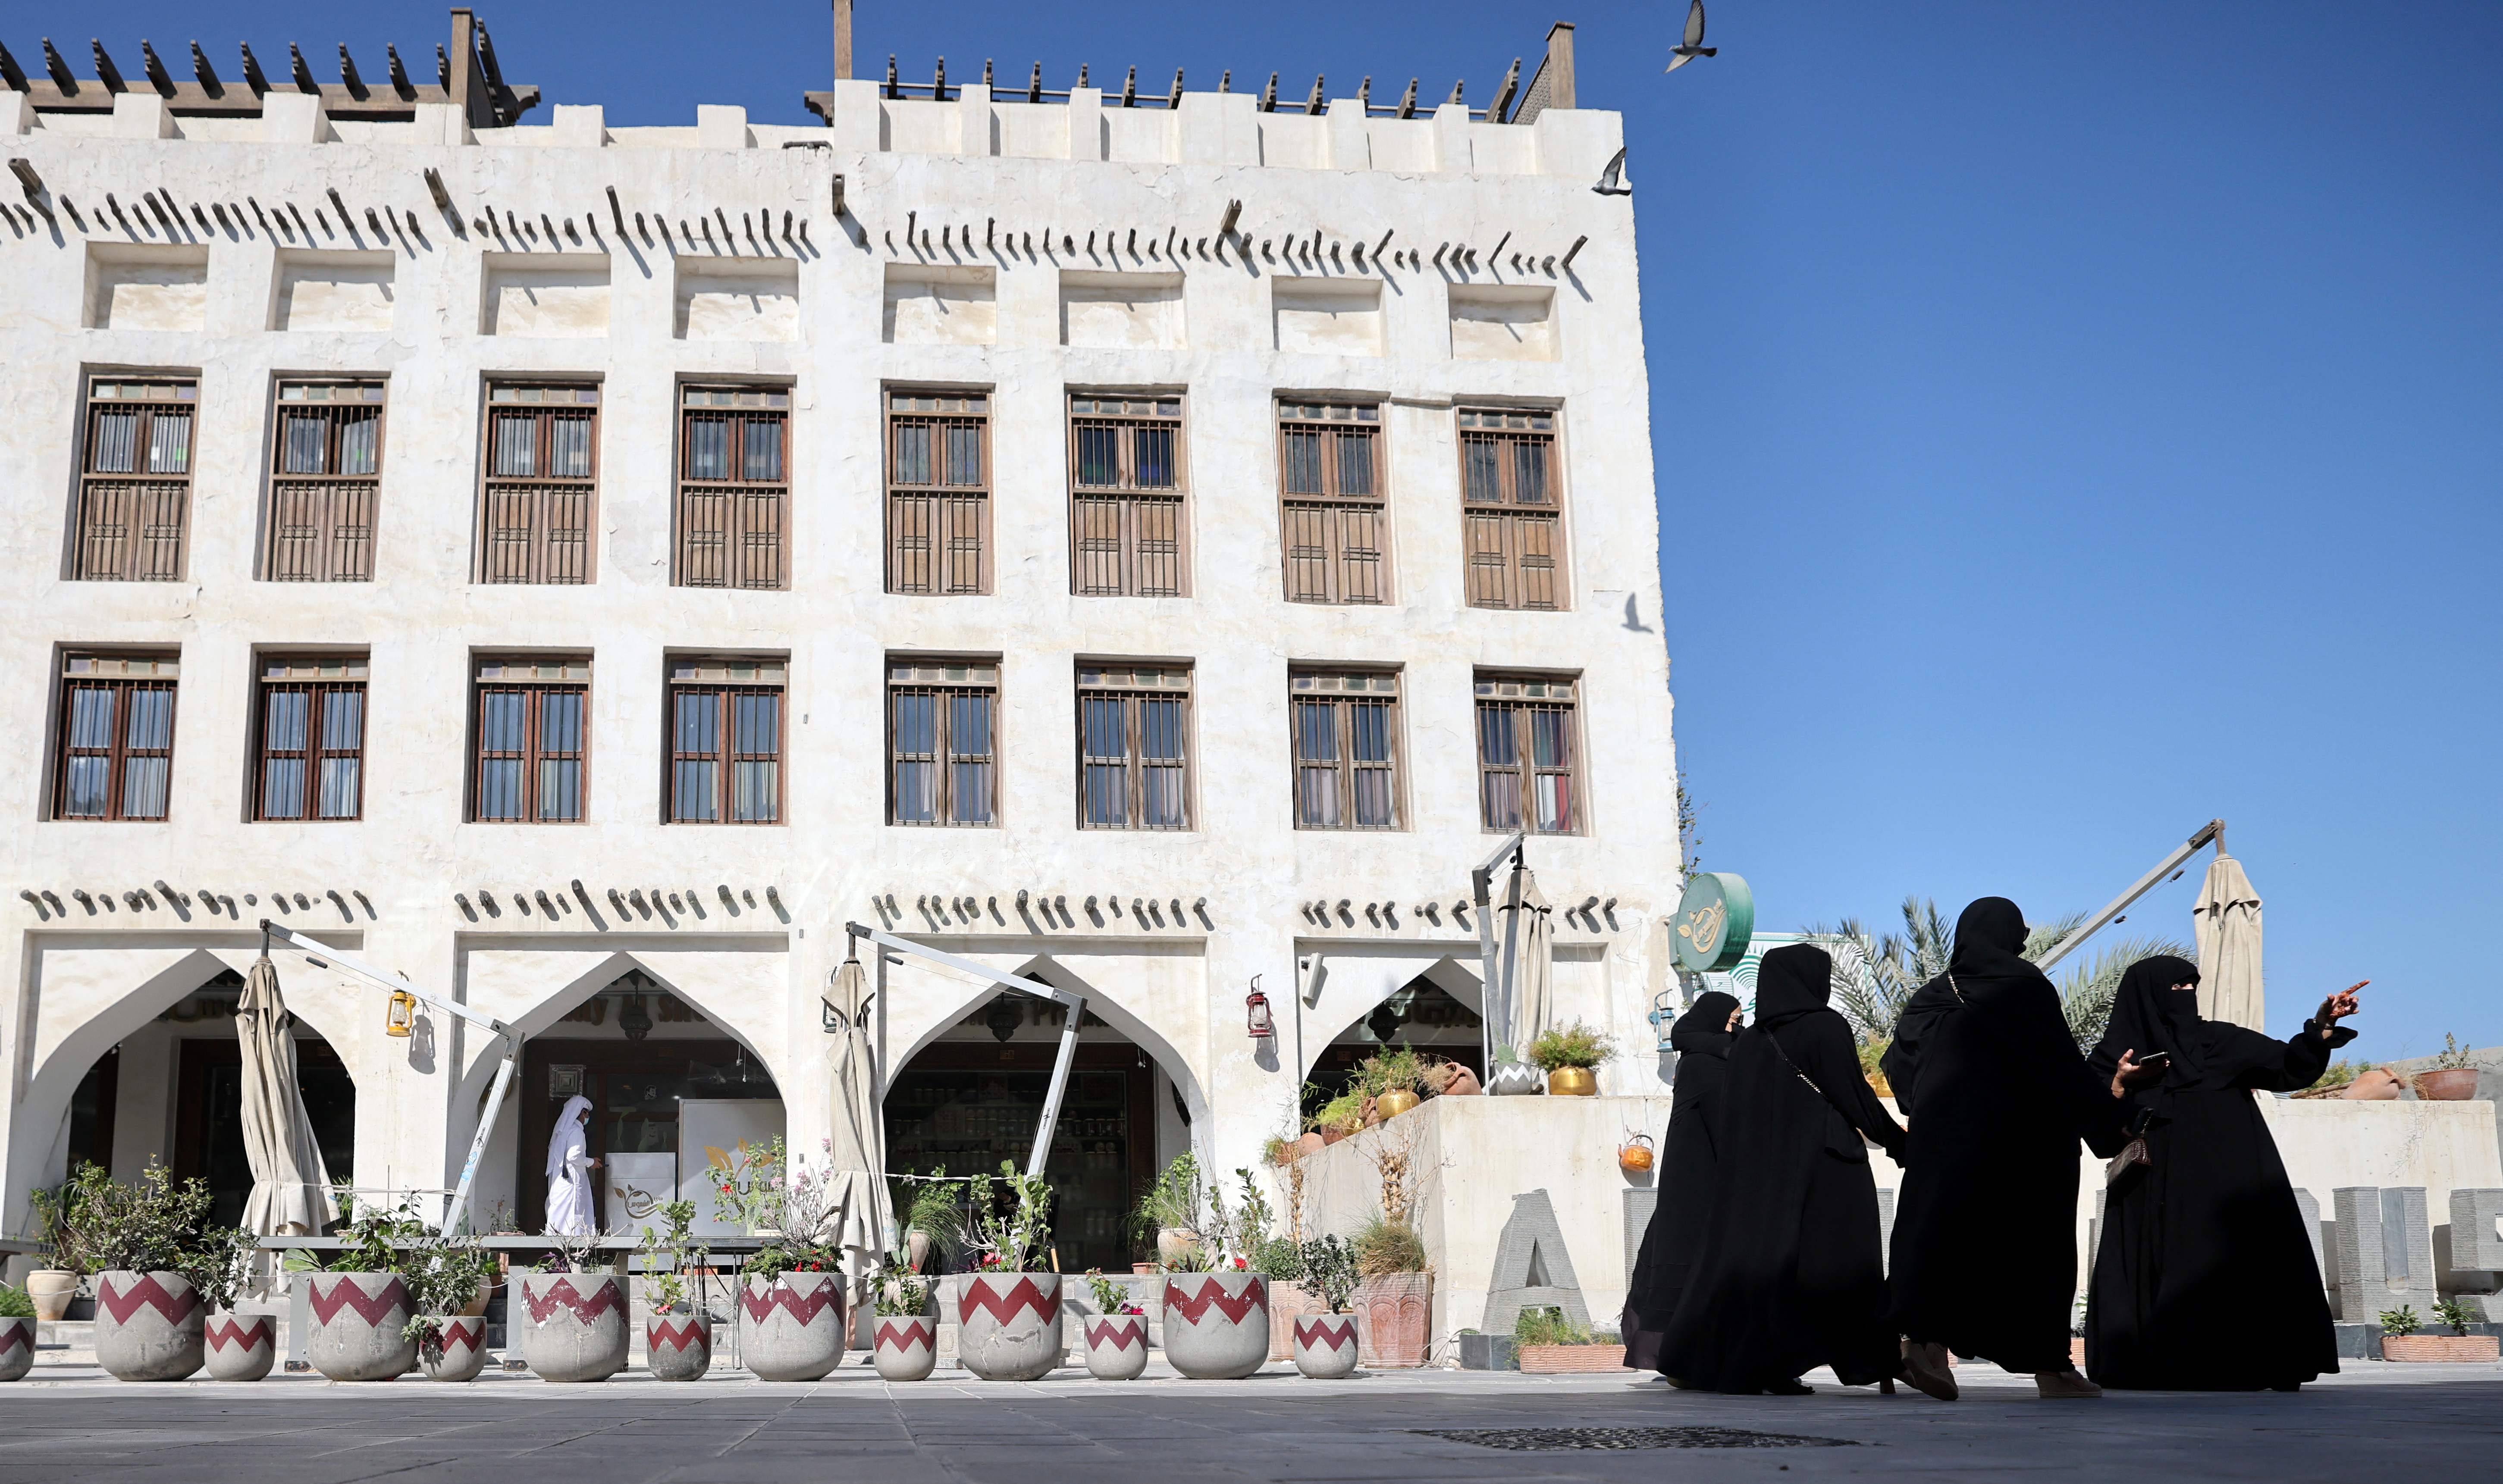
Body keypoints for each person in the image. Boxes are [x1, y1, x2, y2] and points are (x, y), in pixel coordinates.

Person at [1883, 898, 2159, 1400]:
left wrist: (1932, 1117)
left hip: (1943, 1144)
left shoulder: (1929, 996)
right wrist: (2111, 1121)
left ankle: (1922, 1345)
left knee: (1936, 1240)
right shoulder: (2024, 987)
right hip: (2025, 1150)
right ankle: (2051, 1370)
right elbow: (2061, 1066)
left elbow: (1898, 1068)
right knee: (2034, 1251)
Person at [2085, 958, 2362, 1390]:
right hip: (2152, 1188)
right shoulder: (2112, 1056)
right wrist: (2121, 1081)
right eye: (2174, 987)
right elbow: (2097, 1127)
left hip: (2228, 1184)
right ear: (2143, 993)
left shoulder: (2218, 1041)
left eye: (2189, 985)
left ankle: (2247, 1360)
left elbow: (2289, 1066)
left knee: (2233, 1266)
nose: (2185, 994)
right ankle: (2157, 1362)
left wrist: (2322, 1024)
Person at [1656, 946, 1908, 1394]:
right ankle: (1872, 1358)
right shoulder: (1823, 1027)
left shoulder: (1749, 1043)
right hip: (1828, 1171)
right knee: (1845, 1265)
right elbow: (1853, 1095)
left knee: (1771, 1276)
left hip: (1762, 1182)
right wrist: (1899, 1142)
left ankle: (1765, 1364)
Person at [1621, 990, 1742, 1371]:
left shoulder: (1697, 1060)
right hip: (1701, 1185)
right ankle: (1679, 1351)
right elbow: (1725, 1129)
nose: (1739, 1030)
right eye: (1735, 1022)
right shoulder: (1708, 1065)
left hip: (1691, 1184)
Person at [544, 1094, 600, 1235]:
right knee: (573, 1215)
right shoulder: (576, 1132)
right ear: (582, 1112)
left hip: (562, 1180)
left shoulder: (563, 1132)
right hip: (572, 1181)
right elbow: (573, 1156)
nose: (587, 1117)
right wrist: (592, 1162)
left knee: (560, 1213)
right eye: (587, 1113)